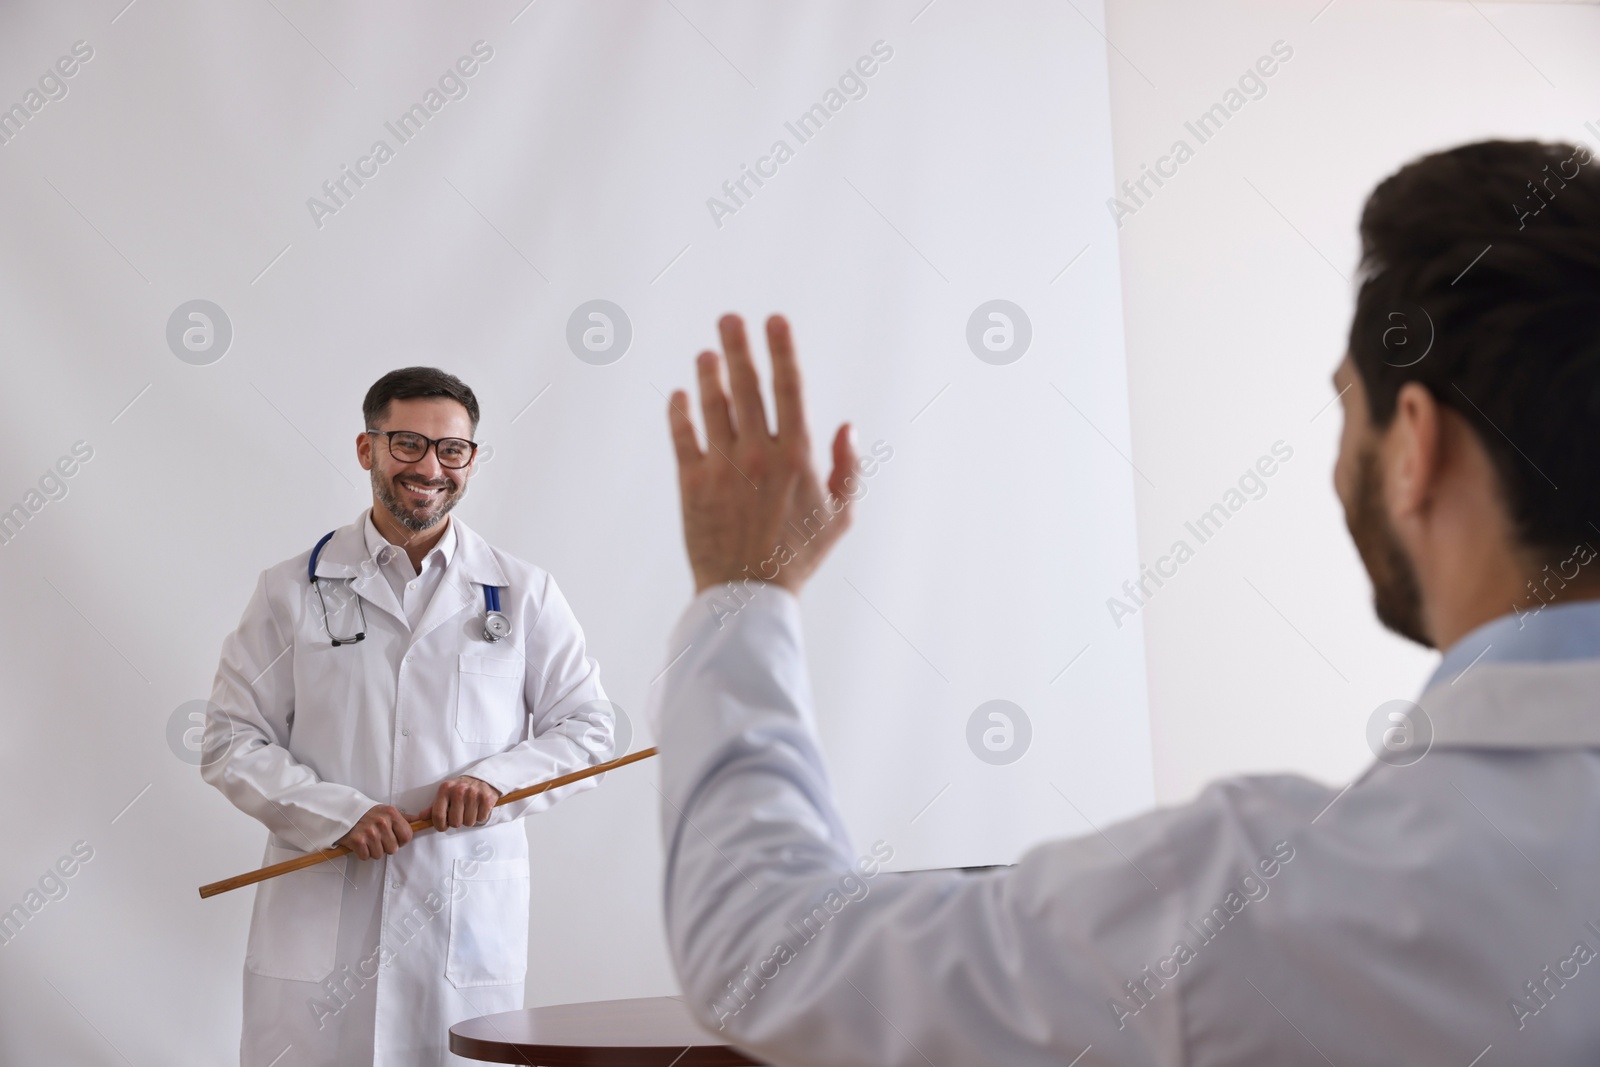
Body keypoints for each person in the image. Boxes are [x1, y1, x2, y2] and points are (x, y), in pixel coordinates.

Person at [647, 139, 1600, 1063]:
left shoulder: (1257, 907)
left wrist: (746, 592)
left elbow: (768, 952)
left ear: (1414, 445)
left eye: (1348, 407)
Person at [202, 367, 614, 1066]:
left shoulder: (522, 593)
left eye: (450, 449)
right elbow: (228, 739)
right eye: (407, 444)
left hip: (460, 921)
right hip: (323, 920)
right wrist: (336, 813)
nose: (429, 467)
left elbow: (588, 730)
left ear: (472, 460)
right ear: (367, 449)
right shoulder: (288, 590)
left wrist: (498, 780)